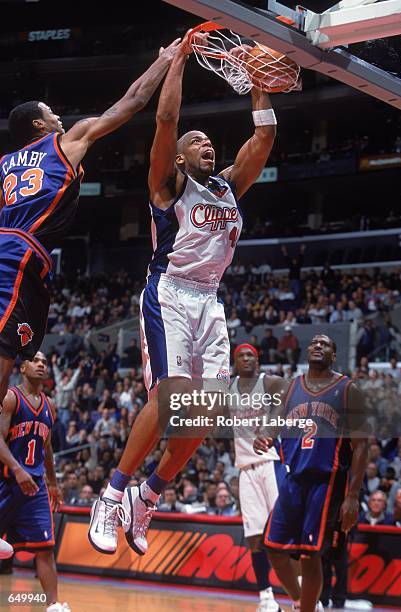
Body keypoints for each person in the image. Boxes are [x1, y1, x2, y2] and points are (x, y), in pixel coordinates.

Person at [88, 30, 277, 556]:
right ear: (178, 159)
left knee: (207, 412)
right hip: (168, 292)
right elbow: (167, 120)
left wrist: (258, 84)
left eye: (209, 141)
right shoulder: (167, 188)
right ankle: (113, 492)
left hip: (210, 300)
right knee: (169, 398)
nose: (205, 143)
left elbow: (261, 140)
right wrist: (177, 61)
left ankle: (149, 492)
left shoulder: (229, 186)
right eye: (196, 142)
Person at [0, 39, 181, 406]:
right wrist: (163, 61)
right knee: (3, 354)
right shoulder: (66, 141)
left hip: (19, 251)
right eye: (50, 113)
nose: (57, 117)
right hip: (18, 253)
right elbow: (132, 102)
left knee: (8, 353)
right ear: (39, 124)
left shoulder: (4, 164)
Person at [254, 334, 368, 612]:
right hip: (294, 479)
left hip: (326, 481)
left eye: (325, 344)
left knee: (310, 555)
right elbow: (274, 424)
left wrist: (352, 496)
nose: (318, 346)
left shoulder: (347, 388)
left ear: (333, 355)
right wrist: (266, 437)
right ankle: (301, 601)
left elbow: (362, 444)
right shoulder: (291, 388)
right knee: (272, 547)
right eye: (314, 342)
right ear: (307, 351)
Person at [0, 351, 68, 612]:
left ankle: (53, 605)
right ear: (23, 366)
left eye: (45, 362)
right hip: (7, 480)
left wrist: (52, 481)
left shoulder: (49, 406)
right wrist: (17, 469)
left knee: (45, 548)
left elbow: (47, 446)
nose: (41, 364)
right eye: (36, 360)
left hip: (35, 486)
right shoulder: (10, 397)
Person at [230, 343, 288, 612]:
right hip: (245, 470)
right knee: (254, 536)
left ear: (258, 358)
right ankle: (266, 596)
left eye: (250, 354)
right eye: (241, 355)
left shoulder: (270, 382)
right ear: (234, 361)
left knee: (285, 532)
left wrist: (271, 427)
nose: (245, 358)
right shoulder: (227, 389)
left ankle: (303, 592)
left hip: (270, 465)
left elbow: (289, 393)